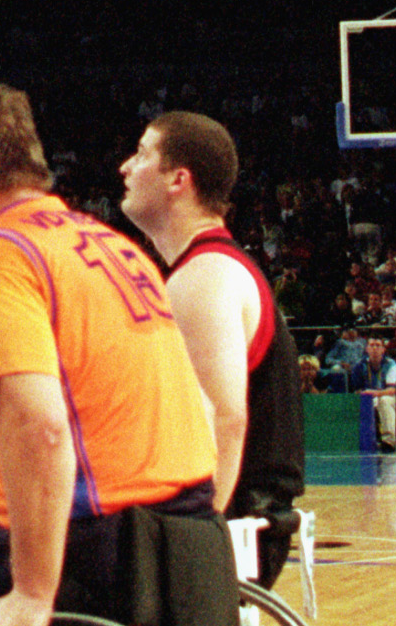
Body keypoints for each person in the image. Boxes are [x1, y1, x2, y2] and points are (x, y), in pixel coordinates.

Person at [0, 85, 217, 626]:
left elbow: (40, 427)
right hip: (187, 532)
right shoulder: (110, 244)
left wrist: (31, 595)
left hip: (113, 548)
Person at [118, 110, 308, 583]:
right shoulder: (204, 269)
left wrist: (196, 542)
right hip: (240, 518)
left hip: (233, 527)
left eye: (142, 154)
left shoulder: (206, 276)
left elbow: (224, 419)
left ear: (178, 179)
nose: (125, 167)